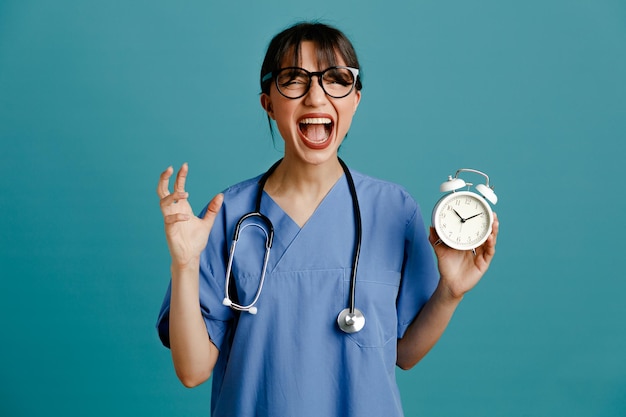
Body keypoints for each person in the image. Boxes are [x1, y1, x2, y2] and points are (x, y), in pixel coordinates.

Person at [156, 21, 499, 417]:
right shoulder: (227, 215)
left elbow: (403, 353)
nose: (316, 96)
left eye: (336, 79)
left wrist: (450, 293)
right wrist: (184, 264)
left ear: (356, 98)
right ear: (268, 101)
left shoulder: (394, 210)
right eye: (294, 80)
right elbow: (192, 371)